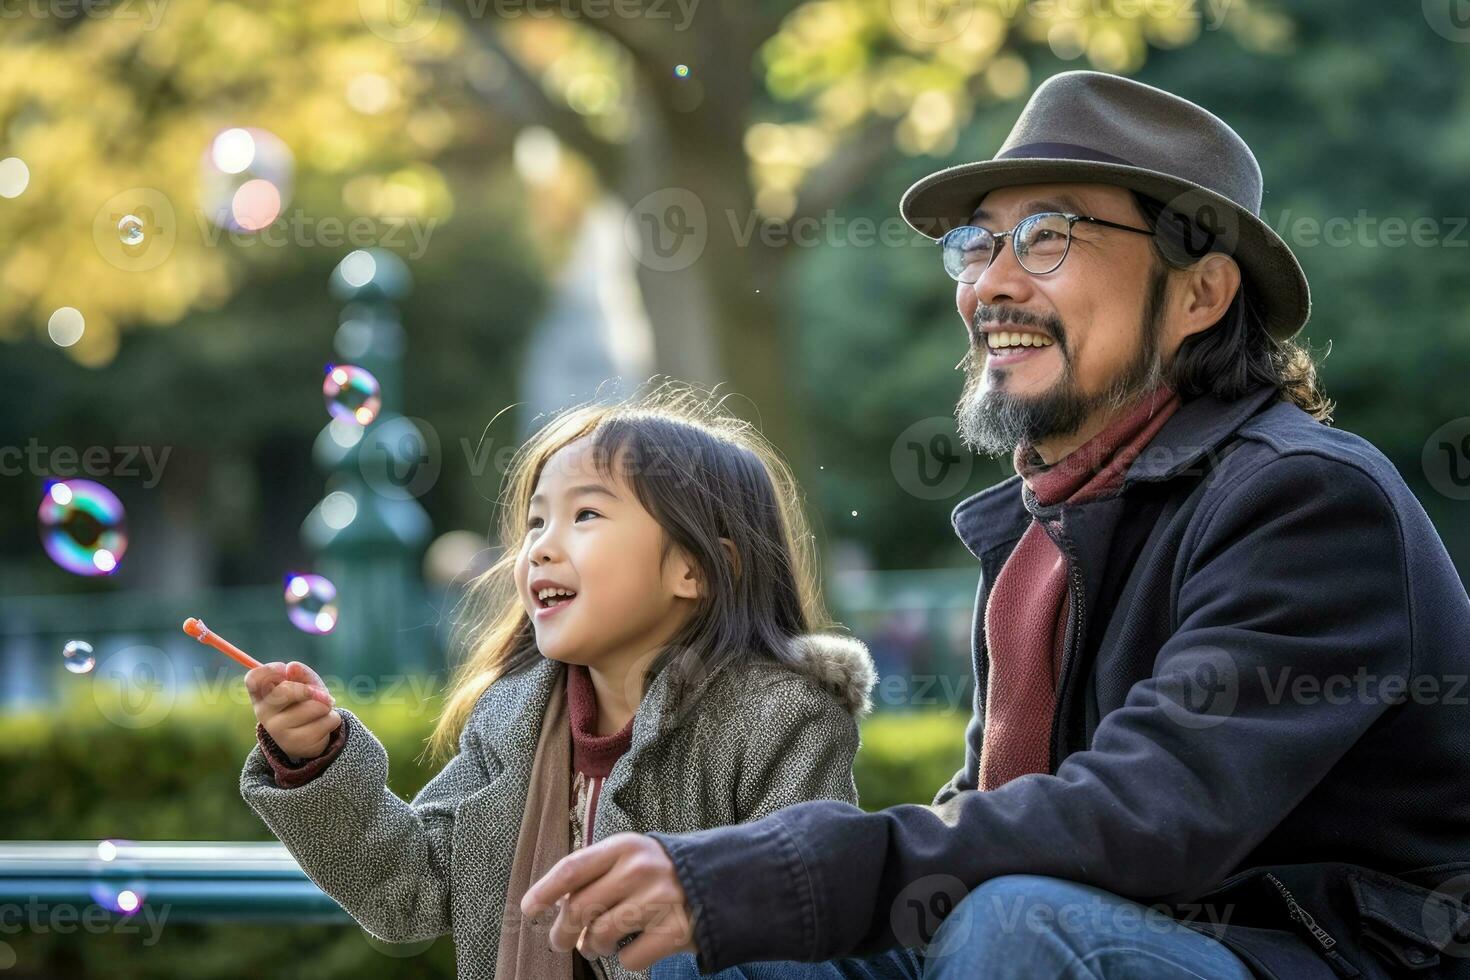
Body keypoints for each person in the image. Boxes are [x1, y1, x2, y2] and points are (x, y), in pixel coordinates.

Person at [518, 71, 1470, 980]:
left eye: (1047, 237)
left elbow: (1146, 818)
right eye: (978, 245)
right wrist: (736, 886)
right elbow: (1001, 815)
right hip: (1112, 937)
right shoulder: (1049, 525)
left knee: (1013, 920)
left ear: (1199, 294)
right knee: (723, 939)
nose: (990, 287)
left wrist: (792, 866)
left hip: (1325, 953)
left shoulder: (1304, 499)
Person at [239, 383, 906, 980]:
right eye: (535, 522)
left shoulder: (777, 717)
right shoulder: (511, 723)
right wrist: (313, 762)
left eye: (585, 515)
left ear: (696, 571)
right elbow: (407, 890)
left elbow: (803, 914)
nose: (541, 548)